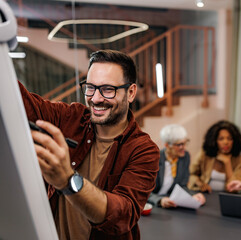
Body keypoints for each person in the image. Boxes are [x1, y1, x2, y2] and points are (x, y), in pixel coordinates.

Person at [20, 50, 160, 239]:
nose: (95, 99)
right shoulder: (71, 118)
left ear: (131, 92)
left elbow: (122, 215)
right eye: (91, 87)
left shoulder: (143, 150)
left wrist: (67, 181)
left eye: (108, 89)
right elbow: (25, 105)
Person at [148, 124, 206, 208]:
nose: (184, 148)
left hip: (171, 203)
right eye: (179, 144)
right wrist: (160, 200)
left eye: (185, 143)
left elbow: (182, 186)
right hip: (152, 206)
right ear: (167, 145)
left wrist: (193, 195)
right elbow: (142, 191)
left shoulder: (185, 157)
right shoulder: (153, 159)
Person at [188, 120, 241, 193]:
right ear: (214, 141)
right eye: (221, 139)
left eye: (229, 138)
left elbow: (234, 189)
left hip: (227, 198)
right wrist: (201, 184)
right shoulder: (204, 154)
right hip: (205, 195)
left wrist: (227, 163)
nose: (226, 142)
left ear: (235, 141)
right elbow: (191, 174)